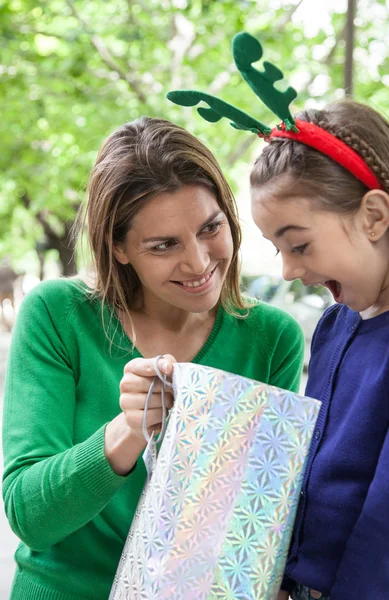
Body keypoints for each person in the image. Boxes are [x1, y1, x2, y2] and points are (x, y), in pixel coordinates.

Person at [2, 116, 304, 599]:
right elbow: (30, 518)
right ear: (118, 248)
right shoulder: (57, 316)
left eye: (211, 228)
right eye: (163, 246)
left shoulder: (271, 338)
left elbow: (259, 519)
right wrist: (125, 432)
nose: (199, 262)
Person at [249, 100, 389, 600]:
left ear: (374, 216)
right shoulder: (334, 326)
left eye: (300, 245)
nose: (289, 271)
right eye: (277, 250)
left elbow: (388, 519)